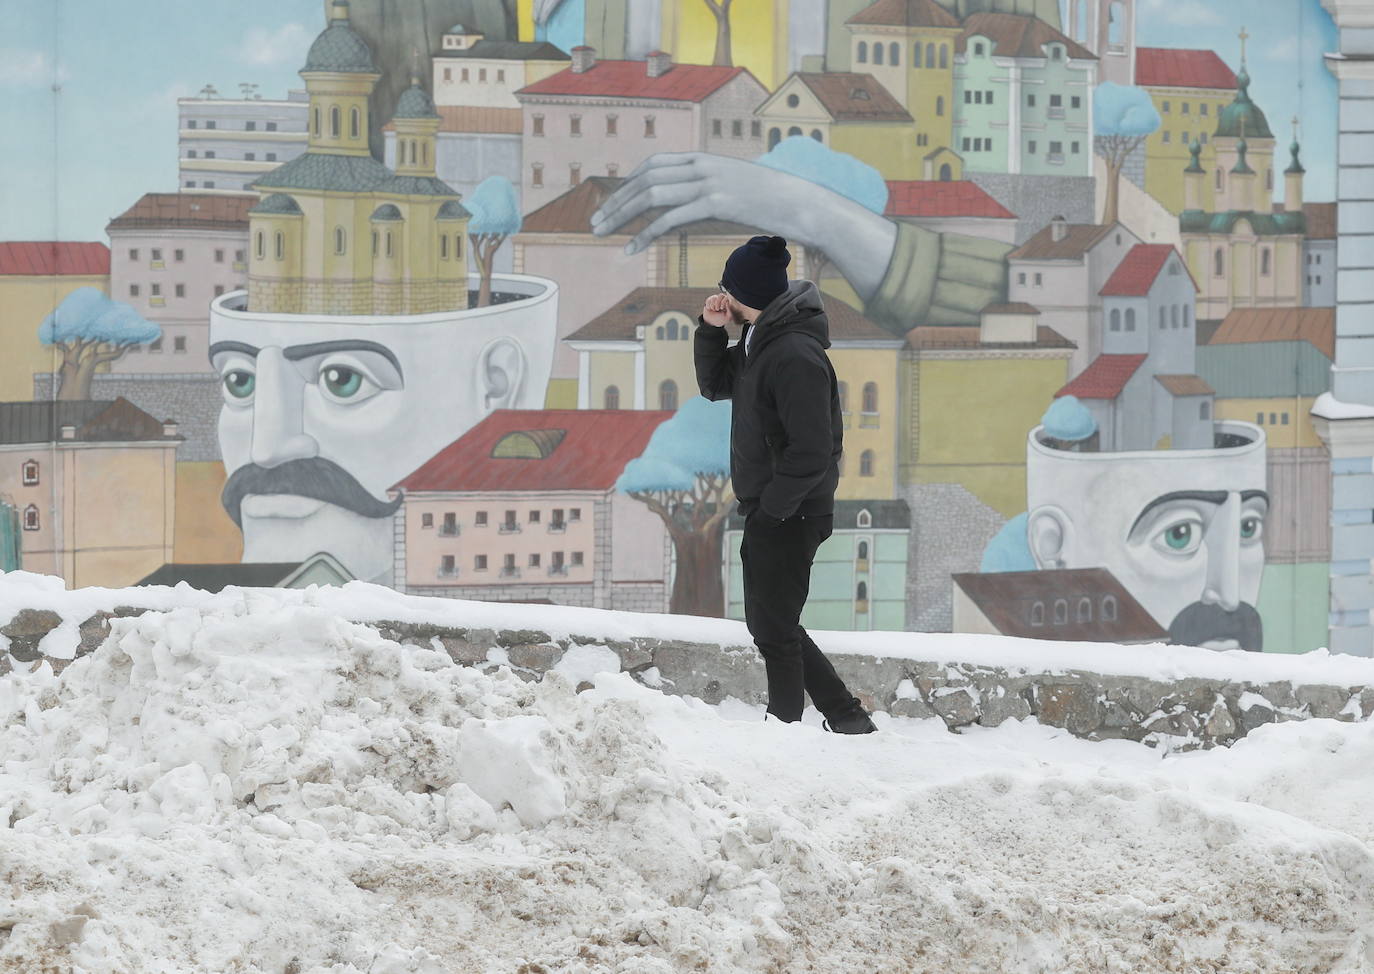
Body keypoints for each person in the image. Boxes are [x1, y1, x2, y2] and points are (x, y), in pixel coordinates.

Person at [694, 234, 878, 733]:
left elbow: (812, 449)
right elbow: (715, 386)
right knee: (774, 623)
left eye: (725, 289)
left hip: (790, 510)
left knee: (773, 628)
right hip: (773, 507)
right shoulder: (760, 340)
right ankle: (845, 717)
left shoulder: (793, 354)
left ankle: (787, 727)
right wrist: (713, 332)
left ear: (744, 291)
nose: (721, 297)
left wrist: (772, 509)